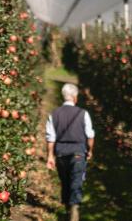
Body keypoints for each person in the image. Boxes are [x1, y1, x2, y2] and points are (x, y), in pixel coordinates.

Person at [46, 83, 94, 221]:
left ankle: (68, 208)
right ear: (75, 97)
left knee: (65, 181)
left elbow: (51, 138)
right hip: (78, 152)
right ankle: (74, 212)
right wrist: (89, 151)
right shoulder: (83, 114)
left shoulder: (54, 114)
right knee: (76, 181)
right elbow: (90, 136)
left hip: (61, 153)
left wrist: (50, 156)